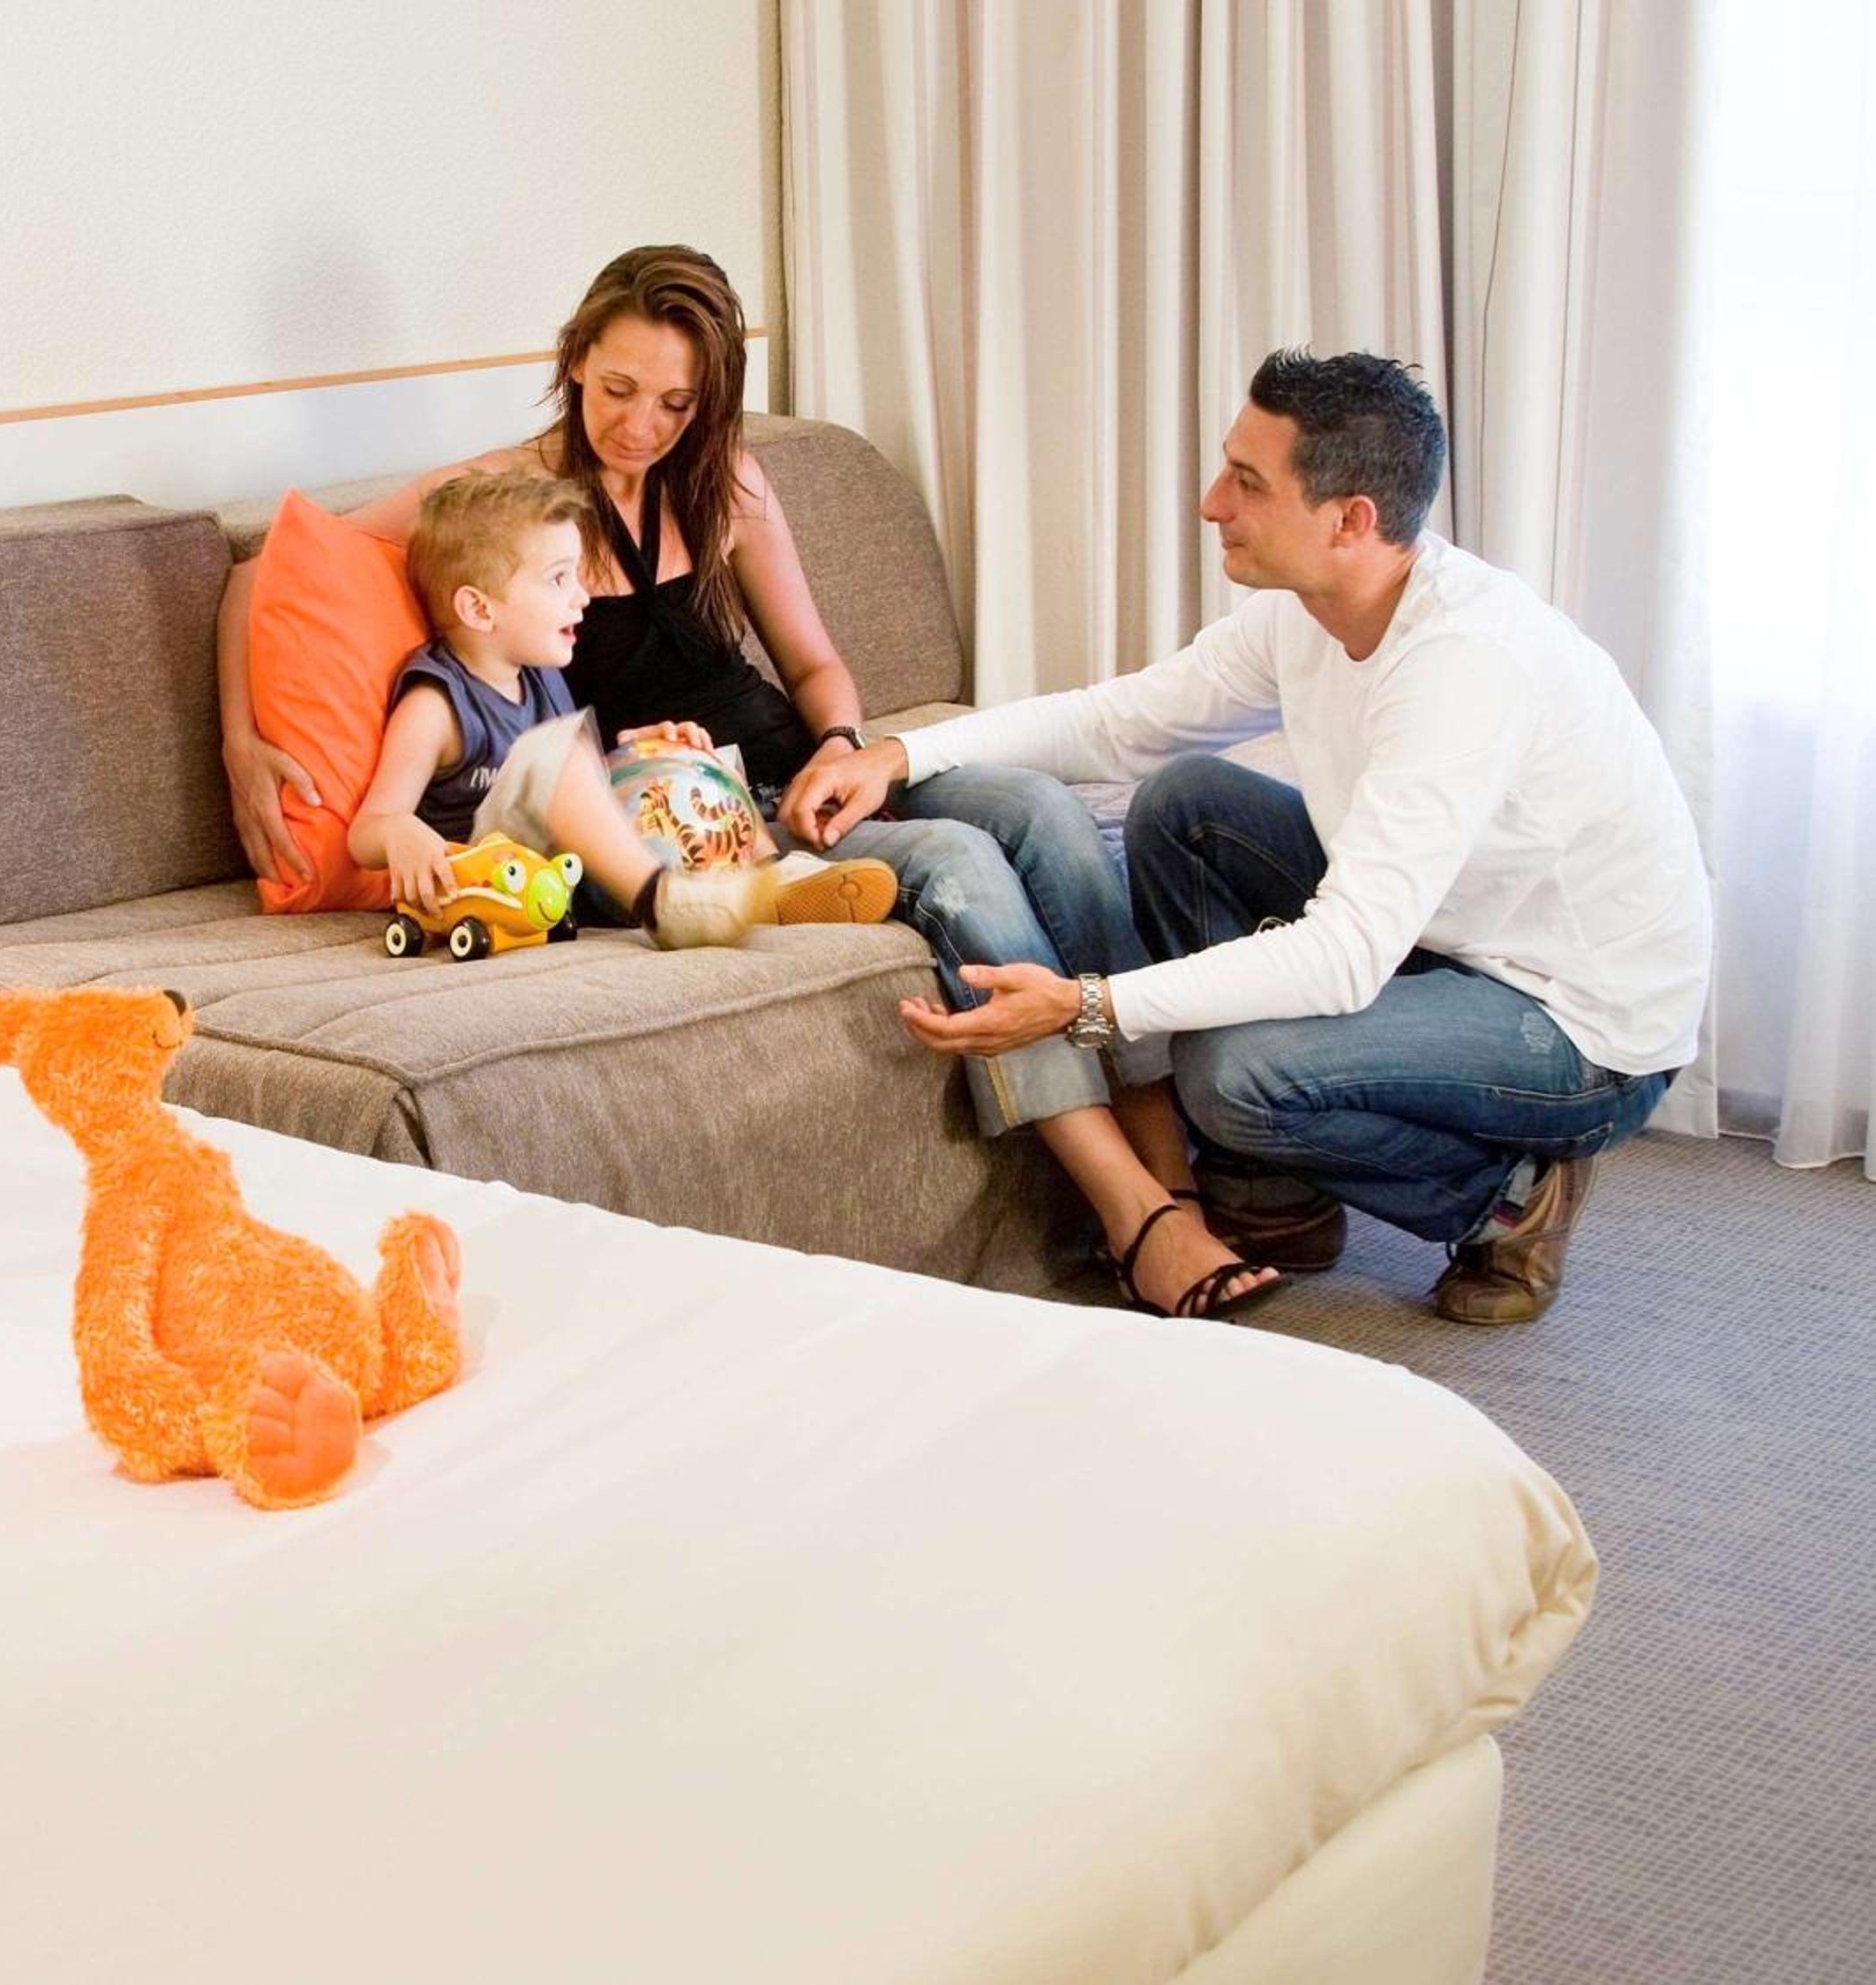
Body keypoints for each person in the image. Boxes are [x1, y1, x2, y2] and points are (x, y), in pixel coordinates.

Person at [220, 244, 1278, 1319]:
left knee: (1046, 811)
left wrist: (842, 746)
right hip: (696, 812)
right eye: (619, 389)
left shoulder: (726, 483)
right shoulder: (509, 504)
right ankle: (1130, 1215)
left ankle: (1172, 1174)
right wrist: (241, 745)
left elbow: (814, 667)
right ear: (576, 360)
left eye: (676, 404)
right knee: (958, 863)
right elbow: (267, 569)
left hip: (805, 768)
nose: (641, 426)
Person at [790, 348, 1711, 1325]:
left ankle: (1513, 1200)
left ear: (1350, 519)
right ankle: (1278, 1189)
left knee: (1234, 1077)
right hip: (1448, 936)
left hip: (1578, 1022)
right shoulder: (1310, 612)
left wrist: (1089, 1006)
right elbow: (1120, 722)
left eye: (1247, 482)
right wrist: (897, 754)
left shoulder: (1463, 665)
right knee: (1185, 805)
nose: (1210, 503)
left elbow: (1347, 955)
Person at [349, 470, 780, 948]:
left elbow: (574, 801)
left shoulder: (540, 676)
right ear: (479, 609)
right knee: (553, 754)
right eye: (559, 578)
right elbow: (367, 830)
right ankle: (664, 905)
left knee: (684, 755)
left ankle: (777, 879)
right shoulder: (436, 706)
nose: (583, 596)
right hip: (496, 886)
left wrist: (638, 752)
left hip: (566, 872)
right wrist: (399, 833)